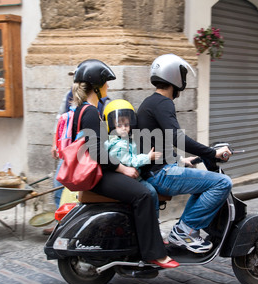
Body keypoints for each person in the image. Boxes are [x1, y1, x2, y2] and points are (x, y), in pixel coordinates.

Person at [67, 59, 178, 268]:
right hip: (99, 175)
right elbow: (98, 153)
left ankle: (138, 240)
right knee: (144, 194)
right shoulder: (90, 112)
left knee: (143, 190)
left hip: (98, 171)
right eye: (105, 83)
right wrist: (123, 168)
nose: (107, 87)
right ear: (97, 85)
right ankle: (153, 253)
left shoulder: (81, 110)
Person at [137, 53, 233, 254]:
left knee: (202, 186)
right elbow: (177, 138)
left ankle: (184, 229)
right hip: (162, 174)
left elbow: (155, 141)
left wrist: (181, 160)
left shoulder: (149, 102)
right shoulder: (164, 103)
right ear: (174, 77)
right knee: (222, 182)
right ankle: (184, 231)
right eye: (182, 74)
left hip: (155, 171)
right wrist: (212, 153)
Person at [103, 99, 162, 219]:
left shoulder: (123, 141)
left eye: (126, 124)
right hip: (126, 178)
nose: (124, 128)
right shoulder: (118, 145)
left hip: (130, 176)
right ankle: (154, 222)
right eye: (119, 125)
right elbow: (129, 161)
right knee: (151, 192)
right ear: (110, 125)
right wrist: (148, 157)